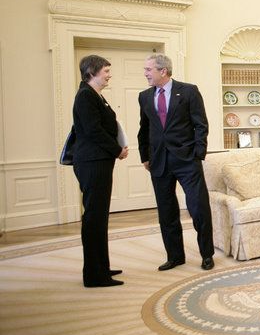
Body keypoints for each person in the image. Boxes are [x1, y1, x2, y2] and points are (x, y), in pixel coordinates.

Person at [137, 54, 215, 271]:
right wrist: (145, 155)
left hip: (187, 160)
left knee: (198, 208)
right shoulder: (144, 96)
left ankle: (207, 254)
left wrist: (198, 153)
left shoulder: (188, 91)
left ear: (163, 71)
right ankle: (175, 256)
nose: (145, 73)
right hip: (159, 162)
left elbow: (201, 124)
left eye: (148, 70)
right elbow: (144, 128)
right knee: (166, 211)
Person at [72, 55, 129, 288]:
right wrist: (117, 150)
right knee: (94, 218)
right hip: (92, 162)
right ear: (92, 72)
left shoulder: (94, 95)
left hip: (98, 161)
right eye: (106, 70)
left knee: (99, 217)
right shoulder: (85, 96)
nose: (109, 74)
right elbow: (94, 131)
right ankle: (94, 275)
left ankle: (101, 266)